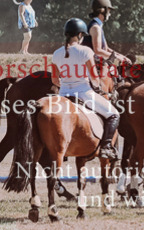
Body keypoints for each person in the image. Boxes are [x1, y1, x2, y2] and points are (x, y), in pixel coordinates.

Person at [51, 18, 120, 160]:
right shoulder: (85, 51)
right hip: (84, 93)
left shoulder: (56, 53)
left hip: (63, 94)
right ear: (80, 35)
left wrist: (65, 84)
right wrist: (97, 87)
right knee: (114, 114)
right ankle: (107, 146)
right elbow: (94, 77)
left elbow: (54, 80)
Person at [86, 0, 130, 69]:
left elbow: (106, 48)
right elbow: (97, 50)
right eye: (109, 11)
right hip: (90, 67)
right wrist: (117, 58)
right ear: (103, 10)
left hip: (97, 64)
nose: (110, 14)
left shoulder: (99, 26)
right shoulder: (95, 28)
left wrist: (121, 56)